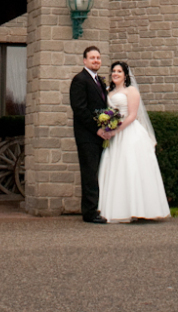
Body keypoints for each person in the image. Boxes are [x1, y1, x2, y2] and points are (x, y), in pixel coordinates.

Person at [97, 60, 170, 223]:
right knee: (116, 169)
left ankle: (139, 209)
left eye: (119, 71)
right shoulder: (108, 91)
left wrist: (115, 130)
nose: (115, 74)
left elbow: (132, 115)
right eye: (113, 71)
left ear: (125, 75)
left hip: (129, 133)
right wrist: (106, 126)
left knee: (131, 168)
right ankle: (117, 209)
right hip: (114, 136)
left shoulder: (131, 91)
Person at [69, 45, 109, 223]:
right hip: (87, 136)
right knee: (90, 174)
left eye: (98, 58)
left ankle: (98, 207)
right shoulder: (80, 80)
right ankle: (90, 212)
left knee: (98, 173)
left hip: (99, 135)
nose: (96, 61)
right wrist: (97, 129)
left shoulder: (99, 81)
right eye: (92, 58)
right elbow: (80, 109)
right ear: (85, 60)